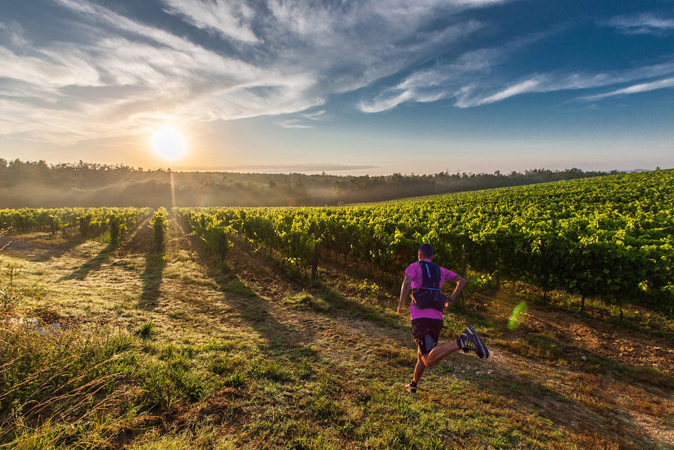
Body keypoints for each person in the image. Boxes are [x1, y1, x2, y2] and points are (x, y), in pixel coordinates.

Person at [397, 243, 489, 394]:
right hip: (437, 319)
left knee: (428, 359)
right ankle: (413, 384)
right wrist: (450, 300)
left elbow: (407, 282)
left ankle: (462, 341)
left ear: (419, 255)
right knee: (422, 354)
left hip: (420, 318)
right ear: (432, 257)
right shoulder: (440, 270)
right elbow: (462, 281)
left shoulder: (414, 266)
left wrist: (400, 304)